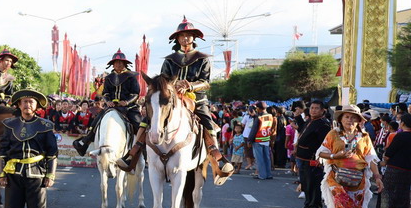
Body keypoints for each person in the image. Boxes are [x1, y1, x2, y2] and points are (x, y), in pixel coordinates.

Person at [117, 19, 234, 183]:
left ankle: (217, 158)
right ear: (177, 39)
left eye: (189, 36)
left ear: (194, 38)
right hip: (171, 99)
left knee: (207, 121)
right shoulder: (170, 59)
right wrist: (170, 86)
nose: (185, 39)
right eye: (182, 36)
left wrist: (190, 86)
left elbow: (206, 83)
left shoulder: (202, 59)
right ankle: (133, 153)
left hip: (196, 100)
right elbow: (161, 80)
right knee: (147, 120)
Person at [0, 89, 59, 208]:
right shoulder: (9, 125)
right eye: (24, 102)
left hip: (36, 176)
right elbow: (3, 151)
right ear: (18, 105)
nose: (27, 105)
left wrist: (50, 175)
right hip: (13, 175)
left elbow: (52, 153)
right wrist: (2, 174)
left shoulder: (45, 126)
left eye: (31, 102)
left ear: (37, 106)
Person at [317, 104, 384, 208]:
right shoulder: (333, 134)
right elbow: (322, 153)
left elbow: (371, 159)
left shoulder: (364, 137)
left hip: (358, 179)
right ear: (340, 119)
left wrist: (378, 177)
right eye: (347, 117)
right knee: (340, 207)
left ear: (359, 121)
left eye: (354, 118)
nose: (350, 120)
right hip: (337, 177)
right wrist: (336, 156)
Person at [73, 49, 141, 156]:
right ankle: (85, 142)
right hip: (112, 107)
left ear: (125, 64)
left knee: (139, 124)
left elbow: (135, 94)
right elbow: (105, 93)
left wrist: (127, 102)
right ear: (112, 65)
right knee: (97, 120)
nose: (118, 64)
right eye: (116, 62)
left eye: (120, 62)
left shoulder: (131, 77)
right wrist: (108, 101)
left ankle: (145, 149)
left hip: (128, 107)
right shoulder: (109, 78)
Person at [293, 100, 331, 208]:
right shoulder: (311, 120)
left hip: (312, 159)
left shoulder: (323, 124)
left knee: (313, 184)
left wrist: (319, 158)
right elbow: (303, 131)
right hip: (302, 158)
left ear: (322, 110)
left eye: (316, 108)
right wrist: (298, 117)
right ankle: (308, 205)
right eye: (312, 108)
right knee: (306, 183)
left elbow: (324, 144)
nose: (313, 110)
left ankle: (315, 207)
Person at [374, 113, 411, 208]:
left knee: (388, 190)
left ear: (403, 123)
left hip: (395, 167)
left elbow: (389, 153)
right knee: (403, 192)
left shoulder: (400, 136)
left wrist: (384, 160)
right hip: (408, 169)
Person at [249, 102, 275, 180]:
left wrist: (249, 140)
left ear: (258, 108)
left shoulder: (259, 118)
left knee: (259, 159)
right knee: (267, 158)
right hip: (266, 139)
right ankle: (268, 174)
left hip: (258, 139)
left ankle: (262, 175)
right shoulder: (270, 116)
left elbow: (254, 129)